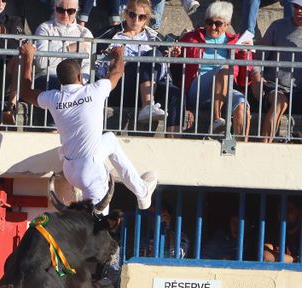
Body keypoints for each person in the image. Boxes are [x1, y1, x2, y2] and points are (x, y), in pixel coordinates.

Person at [19, 42, 157, 212]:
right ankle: (142, 192)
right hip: (89, 168)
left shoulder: (54, 98)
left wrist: (28, 57)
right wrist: (119, 54)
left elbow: (25, 93)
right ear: (80, 77)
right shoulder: (94, 90)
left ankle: (141, 190)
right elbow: (117, 72)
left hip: (70, 169)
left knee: (110, 139)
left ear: (60, 81)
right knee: (98, 222)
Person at [95, 0, 187, 133]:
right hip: (122, 84)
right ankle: (147, 105)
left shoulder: (155, 38)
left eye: (141, 17)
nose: (136, 20)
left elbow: (162, 68)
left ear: (147, 19)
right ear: (126, 14)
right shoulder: (110, 34)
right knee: (151, 55)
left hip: (151, 86)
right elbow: (94, 60)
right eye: (132, 15)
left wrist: (169, 57)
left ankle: (174, 143)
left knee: (175, 94)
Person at [175, 1, 252, 139]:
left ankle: (242, 148)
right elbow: (173, 59)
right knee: (225, 69)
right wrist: (175, 53)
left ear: (227, 25)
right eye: (209, 22)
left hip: (225, 89)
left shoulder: (236, 43)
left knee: (242, 105)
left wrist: (244, 55)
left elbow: (243, 79)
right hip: (197, 88)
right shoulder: (192, 38)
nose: (213, 27)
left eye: (218, 23)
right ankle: (216, 120)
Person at [249, 0, 302, 143]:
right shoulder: (277, 26)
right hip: (275, 86)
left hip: (299, 91)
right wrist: (256, 77)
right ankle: (264, 146)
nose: (298, 11)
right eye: (296, 7)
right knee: (280, 102)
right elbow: (258, 59)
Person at [34, 0, 92, 91]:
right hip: (48, 77)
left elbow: (87, 65)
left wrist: (81, 83)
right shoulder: (44, 28)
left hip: (76, 84)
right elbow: (42, 62)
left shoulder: (85, 33)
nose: (65, 14)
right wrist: (69, 49)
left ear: (76, 11)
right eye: (60, 10)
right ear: (54, 8)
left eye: (70, 11)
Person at [264, 199, 300, 263]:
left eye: (290, 209)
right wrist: (296, 259)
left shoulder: (299, 233)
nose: (285, 213)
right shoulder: (272, 231)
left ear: (299, 212)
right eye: (281, 210)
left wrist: (285, 259)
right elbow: (267, 257)